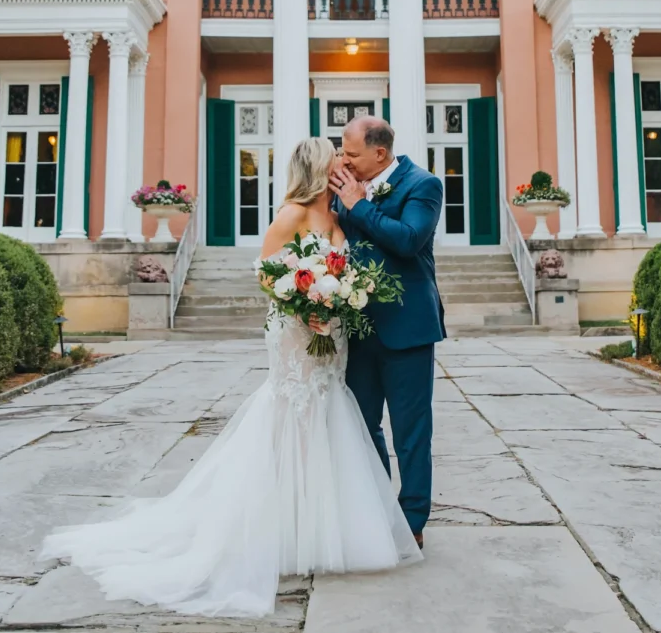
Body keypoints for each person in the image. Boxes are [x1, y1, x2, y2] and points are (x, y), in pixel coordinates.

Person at [41, 136, 420, 618]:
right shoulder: (292, 213)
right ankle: (282, 523)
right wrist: (306, 307)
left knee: (330, 410)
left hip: (334, 330)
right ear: (319, 170)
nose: (344, 167)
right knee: (296, 411)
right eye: (336, 162)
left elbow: (342, 266)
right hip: (296, 331)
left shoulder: (342, 215)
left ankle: (323, 522)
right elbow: (266, 272)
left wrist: (337, 300)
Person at [329, 115, 445, 547]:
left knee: (411, 430)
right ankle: (377, 506)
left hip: (407, 327)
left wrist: (360, 205)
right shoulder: (346, 185)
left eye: (352, 154)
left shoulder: (423, 184)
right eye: (342, 152)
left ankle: (412, 520)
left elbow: (408, 239)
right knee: (362, 425)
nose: (345, 160)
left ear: (380, 153)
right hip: (357, 327)